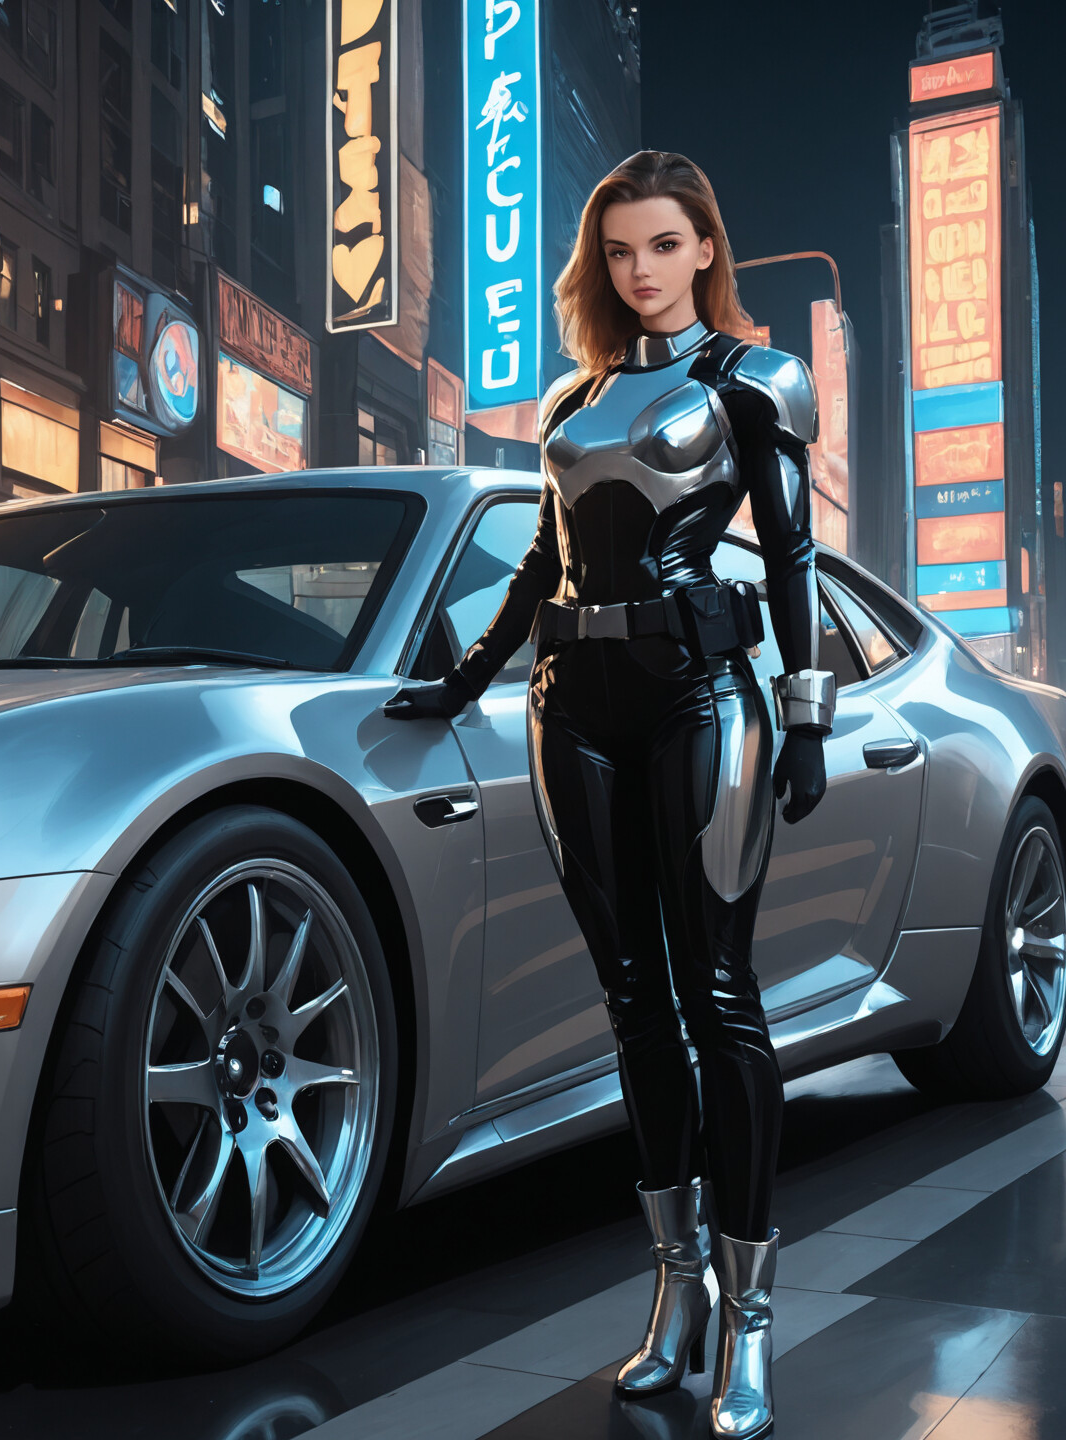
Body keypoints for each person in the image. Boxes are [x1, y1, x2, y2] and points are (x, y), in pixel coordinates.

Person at [384, 152, 822, 1439]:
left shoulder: (754, 380)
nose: (639, 270)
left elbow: (790, 550)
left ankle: (748, 1323)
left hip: (700, 695)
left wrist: (805, 715)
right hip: (568, 704)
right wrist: (460, 681)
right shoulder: (570, 399)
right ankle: (673, 1294)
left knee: (720, 997)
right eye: (619, 250)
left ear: (703, 250)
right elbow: (539, 558)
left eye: (663, 246)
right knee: (633, 1004)